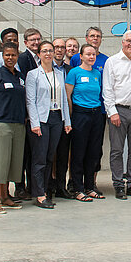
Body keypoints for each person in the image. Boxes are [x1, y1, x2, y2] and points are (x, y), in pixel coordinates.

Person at [102, 30, 131, 200]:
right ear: (122, 42)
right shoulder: (112, 62)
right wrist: (112, 112)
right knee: (116, 150)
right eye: (128, 41)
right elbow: (107, 89)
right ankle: (118, 185)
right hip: (118, 111)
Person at [25, 41, 72, 208]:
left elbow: (65, 100)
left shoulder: (59, 74)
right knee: (39, 158)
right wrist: (34, 123)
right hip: (41, 120)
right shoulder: (33, 74)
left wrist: (67, 120)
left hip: (56, 118)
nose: (48, 54)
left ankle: (45, 190)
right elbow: (30, 101)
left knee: (49, 156)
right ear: (39, 54)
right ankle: (39, 194)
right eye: (44, 51)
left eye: (50, 51)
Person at [0, 42, 26, 214]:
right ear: (2, 56)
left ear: (17, 56)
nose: (10, 58)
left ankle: (5, 196)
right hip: (1, 123)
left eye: (13, 55)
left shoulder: (19, 76)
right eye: (7, 55)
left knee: (12, 163)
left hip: (18, 124)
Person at [65, 44, 105, 201]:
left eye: (93, 54)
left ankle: (89, 187)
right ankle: (77, 189)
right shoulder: (74, 72)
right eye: (88, 54)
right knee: (78, 153)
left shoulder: (97, 74)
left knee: (93, 153)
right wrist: (70, 117)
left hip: (96, 115)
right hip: (80, 114)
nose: (91, 57)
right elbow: (68, 96)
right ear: (80, 56)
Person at [14, 28, 42, 199]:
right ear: (25, 43)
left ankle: (32, 187)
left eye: (38, 39)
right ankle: (20, 187)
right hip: (26, 113)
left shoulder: (41, 58)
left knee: (33, 153)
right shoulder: (23, 59)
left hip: (38, 112)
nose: (36, 42)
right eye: (32, 40)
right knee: (23, 154)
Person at [49, 38, 73, 198]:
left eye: (62, 47)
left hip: (66, 117)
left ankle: (61, 187)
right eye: (56, 47)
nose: (59, 50)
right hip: (49, 116)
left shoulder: (70, 70)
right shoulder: (44, 68)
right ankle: (48, 187)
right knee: (49, 153)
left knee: (64, 154)